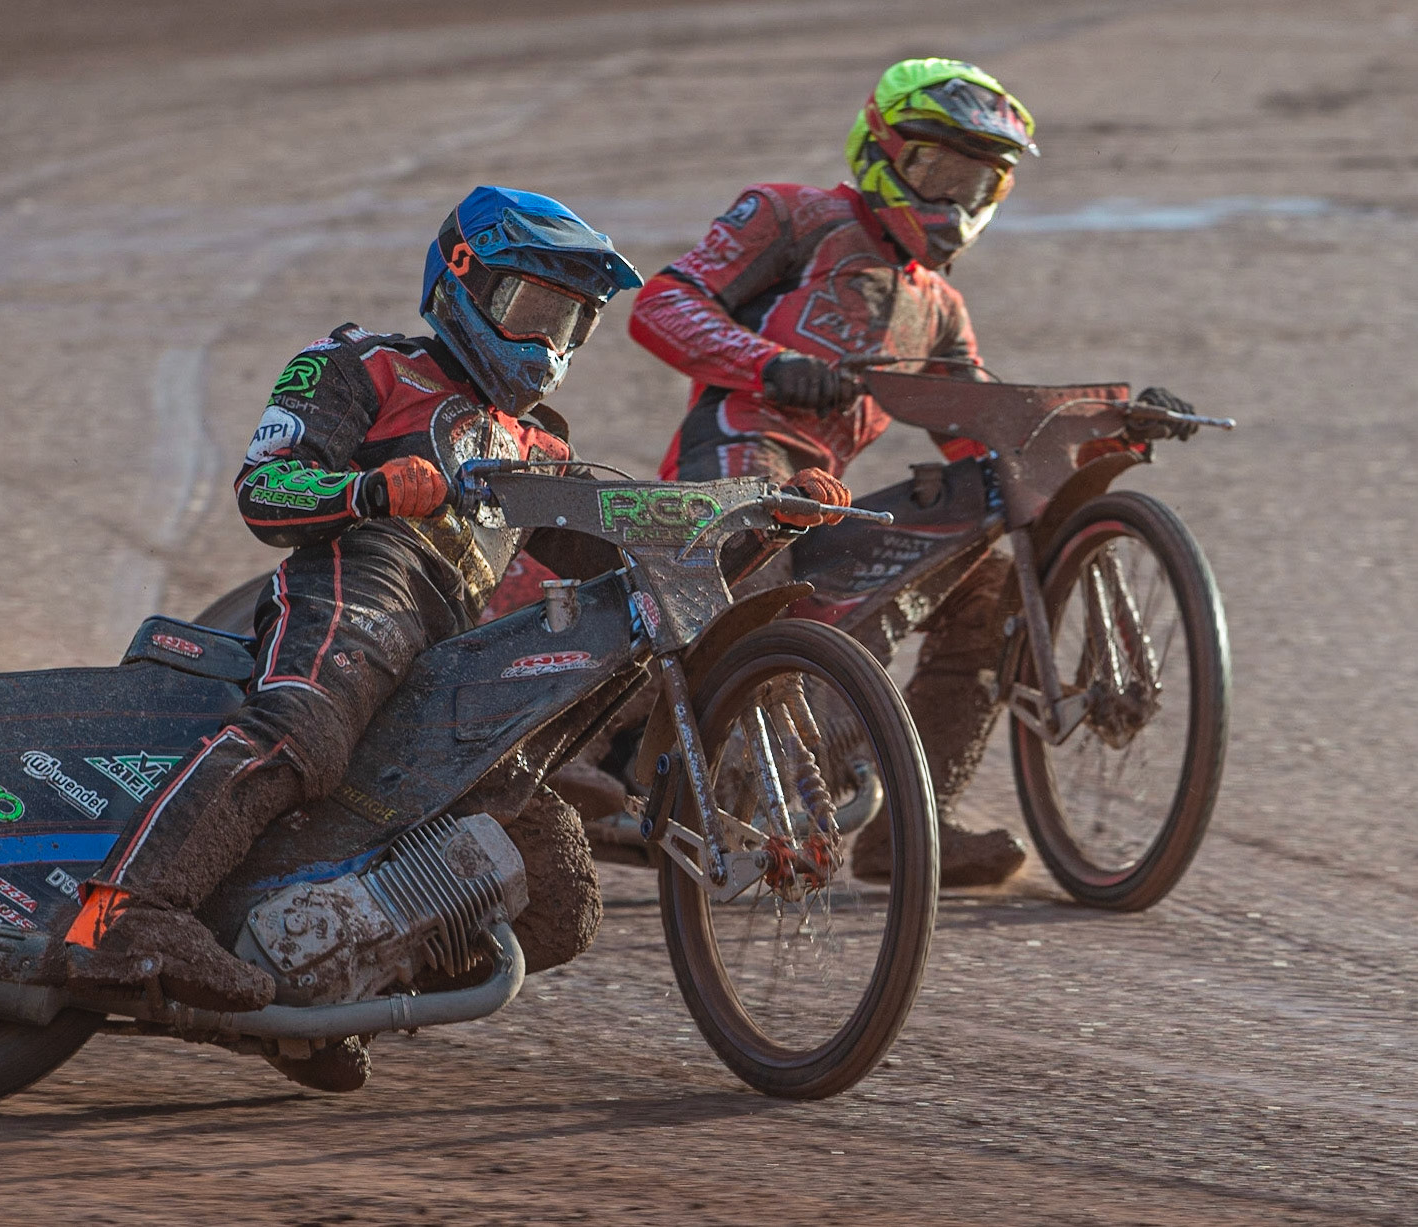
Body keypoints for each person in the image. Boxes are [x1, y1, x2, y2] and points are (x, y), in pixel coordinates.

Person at [61, 185, 851, 1088]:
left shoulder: (537, 447)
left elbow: (640, 535)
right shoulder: (362, 364)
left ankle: (320, 997)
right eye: (532, 308)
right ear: (462, 280)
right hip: (359, 580)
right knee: (303, 725)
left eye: (569, 321)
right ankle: (121, 915)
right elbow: (262, 490)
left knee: (556, 891)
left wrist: (764, 523)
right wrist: (371, 490)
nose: (547, 340)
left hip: (455, 648)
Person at [626, 57, 1042, 887]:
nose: (951, 199)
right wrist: (769, 364)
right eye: (936, 169)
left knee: (987, 586)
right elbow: (661, 303)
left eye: (975, 182)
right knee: (768, 583)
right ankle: (752, 795)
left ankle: (911, 827)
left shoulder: (938, 305)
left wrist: (1094, 427)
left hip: (824, 492)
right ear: (879, 148)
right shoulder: (792, 213)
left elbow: (979, 429)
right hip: (734, 461)